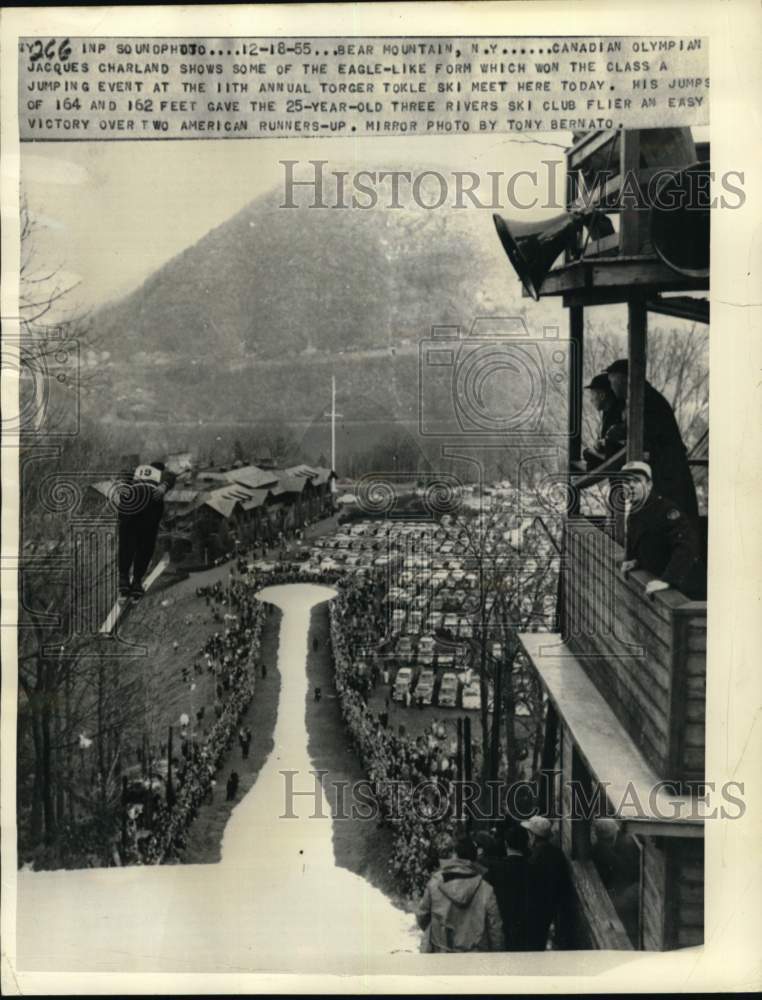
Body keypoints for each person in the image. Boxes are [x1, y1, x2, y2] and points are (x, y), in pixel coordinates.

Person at [606, 359, 698, 517]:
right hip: (663, 471)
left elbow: (648, 437)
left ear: (623, 379)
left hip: (667, 473)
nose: (611, 386)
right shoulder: (643, 397)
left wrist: (618, 434)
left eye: (612, 381)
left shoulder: (645, 400)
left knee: (671, 518)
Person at [620, 461, 706, 600]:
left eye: (636, 481)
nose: (630, 486)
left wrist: (667, 580)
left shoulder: (666, 510)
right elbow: (650, 544)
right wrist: (636, 561)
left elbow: (687, 546)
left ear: (649, 485)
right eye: (626, 481)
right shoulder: (635, 512)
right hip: (658, 584)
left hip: (687, 590)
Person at [416, 833, 505, 953]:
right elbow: (495, 930)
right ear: (474, 859)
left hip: (442, 955)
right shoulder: (486, 889)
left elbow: (422, 917)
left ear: (455, 856)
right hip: (476, 959)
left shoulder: (434, 884)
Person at [116, 461, 174, 598]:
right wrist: (164, 486)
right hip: (150, 503)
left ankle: (123, 577)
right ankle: (136, 581)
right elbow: (171, 476)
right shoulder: (161, 473)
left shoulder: (137, 469)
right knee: (145, 545)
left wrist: (122, 484)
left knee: (127, 542)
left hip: (130, 503)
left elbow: (123, 473)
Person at [479, 823, 530, 951]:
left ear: (506, 844)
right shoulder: (533, 868)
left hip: (502, 925)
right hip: (526, 929)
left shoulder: (495, 869)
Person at [522, 815, 568, 951]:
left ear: (533, 836)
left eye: (529, 833)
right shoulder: (557, 854)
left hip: (537, 914)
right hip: (554, 912)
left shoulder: (533, 859)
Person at [580, 373, 626, 471]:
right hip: (614, 460)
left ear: (602, 395)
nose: (591, 400)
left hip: (620, 462)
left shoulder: (619, 412)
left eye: (592, 395)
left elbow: (613, 446)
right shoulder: (608, 412)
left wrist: (601, 445)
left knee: (587, 454)